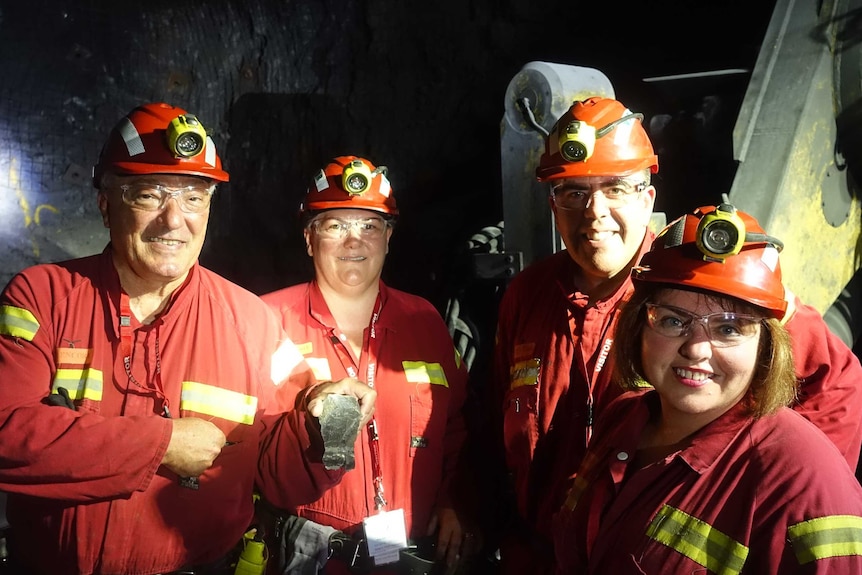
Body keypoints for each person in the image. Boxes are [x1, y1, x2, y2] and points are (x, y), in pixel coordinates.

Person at [489, 96, 862, 574]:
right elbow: (492, 420)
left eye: (616, 189)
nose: (594, 213)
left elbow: (837, 389)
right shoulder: (529, 294)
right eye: (573, 193)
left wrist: (756, 498)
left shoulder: (702, 277)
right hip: (552, 550)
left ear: (648, 197)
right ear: (553, 204)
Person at [0, 103, 376, 575]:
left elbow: (281, 479)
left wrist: (321, 424)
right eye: (148, 195)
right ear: (105, 204)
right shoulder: (42, 297)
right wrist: (162, 443)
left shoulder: (253, 322)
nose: (174, 219)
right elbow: (7, 435)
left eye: (194, 197)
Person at [553, 203, 862, 573]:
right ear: (639, 328)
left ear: (766, 348)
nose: (696, 349)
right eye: (672, 320)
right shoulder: (622, 418)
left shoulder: (805, 480)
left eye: (728, 329)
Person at [260, 156, 473, 574]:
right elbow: (250, 461)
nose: (353, 241)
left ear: (389, 238)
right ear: (309, 238)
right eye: (335, 225)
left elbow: (457, 428)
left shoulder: (424, 321)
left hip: (407, 557)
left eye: (369, 226)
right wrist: (310, 418)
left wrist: (455, 500)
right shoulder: (265, 320)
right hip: (311, 560)